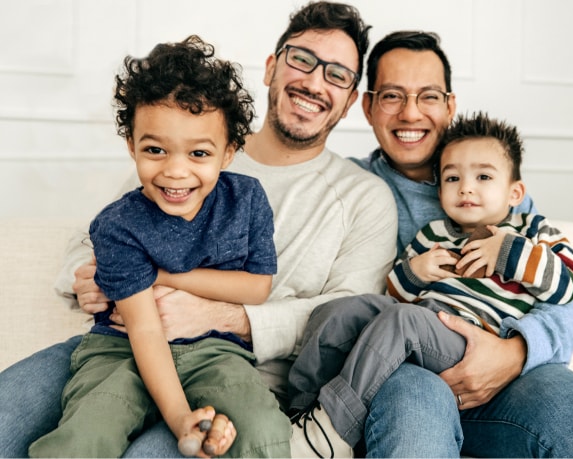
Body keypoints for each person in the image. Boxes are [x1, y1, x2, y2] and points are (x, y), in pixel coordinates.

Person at [0, 2, 397, 457]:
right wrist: (87, 276)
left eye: (337, 74)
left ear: (351, 100)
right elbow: (94, 238)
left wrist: (227, 317)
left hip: (231, 364)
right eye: (302, 59)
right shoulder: (179, 136)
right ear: (271, 68)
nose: (313, 80)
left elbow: (347, 316)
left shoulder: (361, 197)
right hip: (118, 339)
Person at [350, 31, 573, 457]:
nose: (411, 113)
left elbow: (566, 294)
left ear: (449, 105)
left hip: (509, 364)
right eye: (392, 96)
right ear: (368, 106)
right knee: (414, 433)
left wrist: (515, 353)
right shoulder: (351, 188)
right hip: (408, 371)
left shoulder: (493, 182)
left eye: (428, 96)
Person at [28, 35, 289, 458]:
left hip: (215, 349)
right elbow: (145, 329)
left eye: (199, 153)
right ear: (131, 145)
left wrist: (165, 277)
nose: (175, 171)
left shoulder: (248, 200)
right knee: (85, 436)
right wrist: (181, 418)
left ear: (229, 153)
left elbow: (257, 287)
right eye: (155, 149)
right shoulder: (117, 225)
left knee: (263, 428)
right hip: (121, 349)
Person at [287, 111, 573, 457]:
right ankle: (301, 414)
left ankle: (332, 431)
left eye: (483, 176)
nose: (466, 188)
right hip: (420, 326)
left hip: (473, 337)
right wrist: (415, 271)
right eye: (452, 178)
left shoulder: (532, 230)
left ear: (515, 192)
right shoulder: (434, 234)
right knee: (338, 311)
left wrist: (507, 250)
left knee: (403, 320)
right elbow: (394, 293)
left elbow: (566, 287)